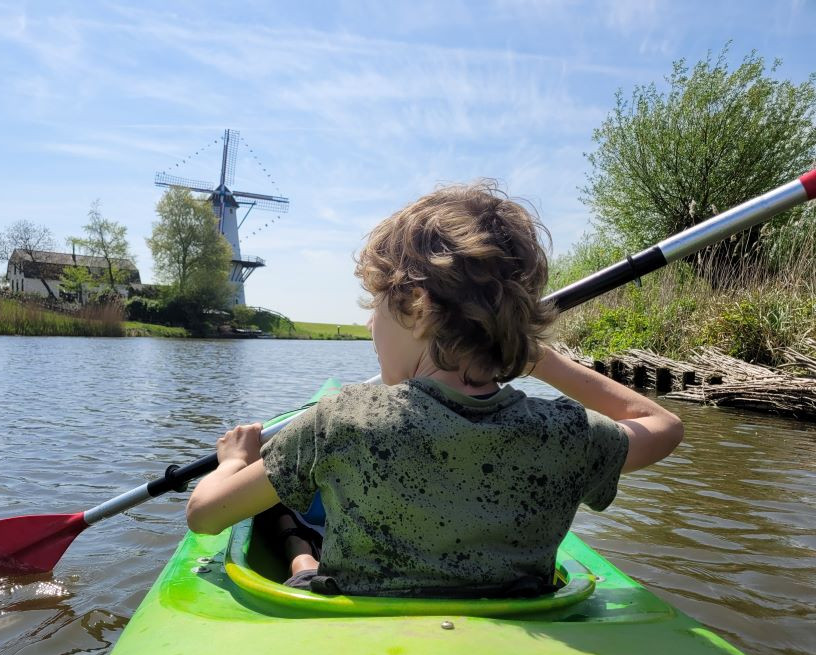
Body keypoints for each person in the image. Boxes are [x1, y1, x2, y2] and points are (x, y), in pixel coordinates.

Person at [186, 182, 683, 598]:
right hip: (515, 617)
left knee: (279, 498)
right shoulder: (567, 434)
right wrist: (544, 363)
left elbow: (205, 516)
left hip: (356, 625)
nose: (366, 323)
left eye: (375, 305)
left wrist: (234, 460)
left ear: (415, 308)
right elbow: (663, 427)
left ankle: (302, 565)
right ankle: (302, 565)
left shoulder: (338, 421)